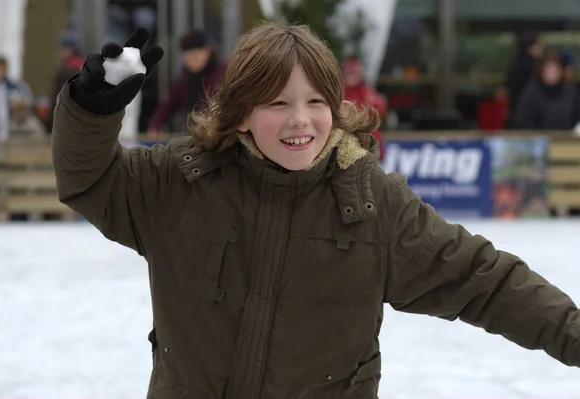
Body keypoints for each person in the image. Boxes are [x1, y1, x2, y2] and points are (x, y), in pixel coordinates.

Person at [51, 25, 579, 399]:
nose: (299, 121)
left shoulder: (374, 205)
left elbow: (484, 281)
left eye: (316, 102)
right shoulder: (181, 183)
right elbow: (90, 180)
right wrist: (91, 112)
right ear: (239, 112)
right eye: (276, 103)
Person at [147, 29, 227, 138]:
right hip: (194, 134)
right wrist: (155, 125)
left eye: (196, 55)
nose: (193, 60)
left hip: (218, 133)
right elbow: (170, 102)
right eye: (188, 56)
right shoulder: (185, 75)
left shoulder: (223, 73)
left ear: (207, 51)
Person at [513, 50, 580, 130]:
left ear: (561, 71)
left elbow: (577, 117)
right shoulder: (531, 92)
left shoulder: (571, 91)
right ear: (541, 71)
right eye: (548, 70)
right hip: (538, 139)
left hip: (567, 139)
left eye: (555, 69)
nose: (552, 73)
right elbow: (522, 120)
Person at [341, 57, 387, 161]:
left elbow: (381, 109)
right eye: (349, 73)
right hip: (350, 146)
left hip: (370, 144)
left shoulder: (367, 92)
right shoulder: (341, 93)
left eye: (354, 73)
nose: (351, 77)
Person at [505, 32, 543, 127]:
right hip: (528, 111)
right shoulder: (533, 66)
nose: (541, 49)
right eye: (539, 46)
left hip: (516, 109)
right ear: (530, 47)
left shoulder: (515, 64)